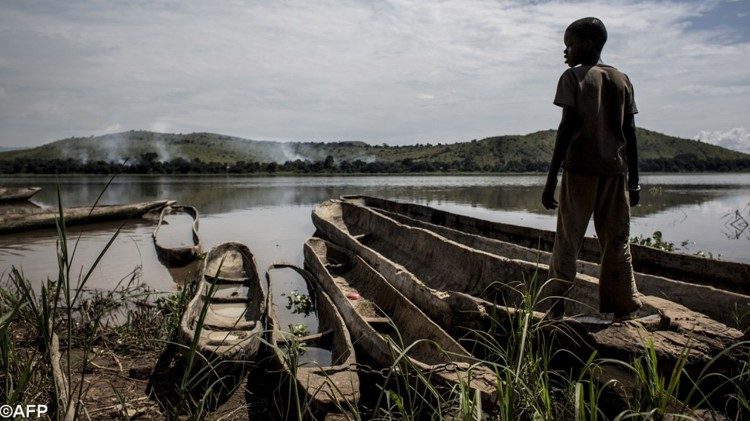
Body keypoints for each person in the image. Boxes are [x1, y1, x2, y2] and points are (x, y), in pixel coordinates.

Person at [542, 17, 642, 322]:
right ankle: (623, 309)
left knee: (567, 241)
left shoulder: (573, 77)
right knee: (617, 242)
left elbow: (566, 128)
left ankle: (556, 308)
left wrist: (550, 180)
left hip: (579, 172)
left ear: (586, 45)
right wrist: (634, 183)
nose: (565, 52)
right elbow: (631, 134)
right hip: (616, 174)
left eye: (569, 45)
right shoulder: (622, 78)